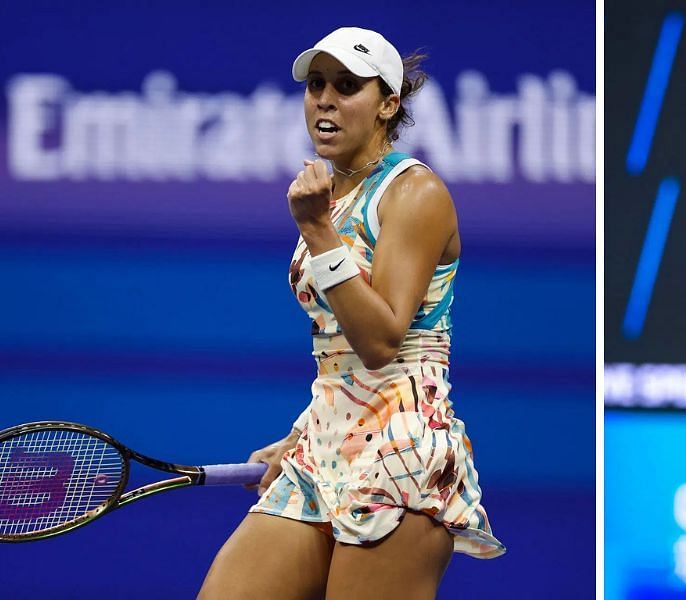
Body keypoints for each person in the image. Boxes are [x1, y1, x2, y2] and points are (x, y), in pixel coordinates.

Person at [199, 27, 504, 599]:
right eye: (316, 85)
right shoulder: (333, 194)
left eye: (347, 85)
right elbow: (341, 358)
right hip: (323, 445)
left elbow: (382, 341)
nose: (325, 99)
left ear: (388, 103)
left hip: (402, 453)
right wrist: (299, 434)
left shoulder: (415, 193)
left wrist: (317, 230)